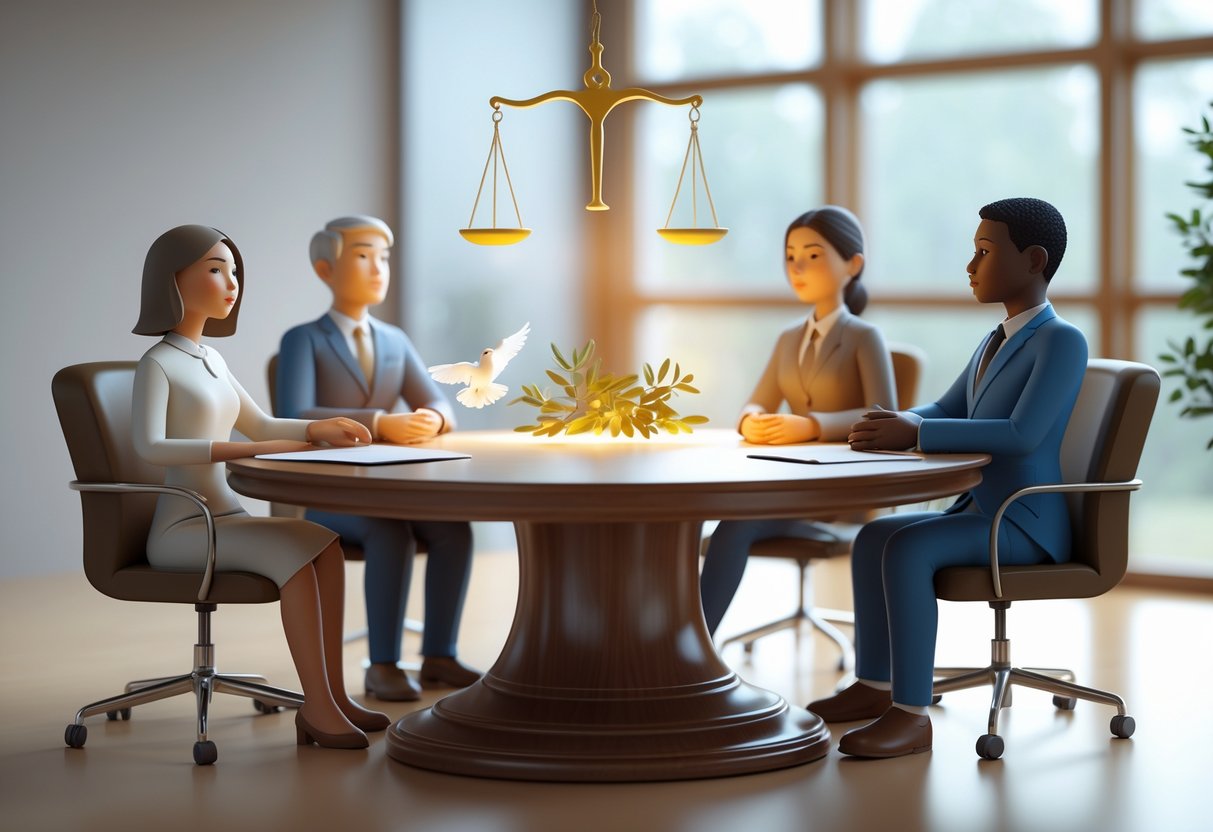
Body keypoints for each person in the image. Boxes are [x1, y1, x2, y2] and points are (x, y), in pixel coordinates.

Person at [810, 197, 1088, 759]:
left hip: (1023, 520)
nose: (971, 266)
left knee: (908, 548)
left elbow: (1020, 434)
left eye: (984, 252)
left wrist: (916, 437)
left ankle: (912, 717)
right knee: (875, 536)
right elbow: (946, 405)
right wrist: (905, 421)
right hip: (980, 512)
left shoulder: (1061, 341)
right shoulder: (995, 340)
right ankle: (876, 685)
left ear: (1034, 260)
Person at [131, 224, 388, 750]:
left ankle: (334, 695)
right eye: (215, 269)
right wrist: (244, 451)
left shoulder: (212, 361)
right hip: (184, 526)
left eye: (234, 272)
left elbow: (264, 425)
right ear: (171, 279)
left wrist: (317, 429)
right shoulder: (156, 364)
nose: (232, 283)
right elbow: (150, 447)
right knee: (296, 554)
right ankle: (315, 709)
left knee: (325, 546)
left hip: (225, 516)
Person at [275, 215, 478, 702]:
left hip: (387, 487)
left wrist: (435, 418)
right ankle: (382, 664)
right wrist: (379, 421)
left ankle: (439, 654)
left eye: (382, 258)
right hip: (325, 495)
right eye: (362, 256)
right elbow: (291, 414)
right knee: (390, 530)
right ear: (325, 270)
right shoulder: (304, 340)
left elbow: (440, 400)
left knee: (454, 528)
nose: (377, 269)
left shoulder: (394, 340)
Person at [699, 206, 896, 634]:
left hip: (839, 494)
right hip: (787, 487)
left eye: (813, 255)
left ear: (853, 264)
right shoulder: (789, 339)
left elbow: (884, 416)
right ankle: (676, 644)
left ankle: (693, 646)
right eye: (790, 256)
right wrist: (752, 422)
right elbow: (755, 404)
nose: (798, 268)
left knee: (733, 529)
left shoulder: (864, 337)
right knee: (703, 522)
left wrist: (812, 426)